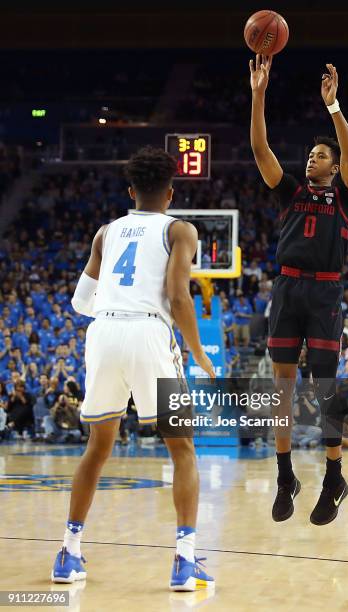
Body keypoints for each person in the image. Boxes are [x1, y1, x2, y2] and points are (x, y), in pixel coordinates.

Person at [51, 146, 215, 591]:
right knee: (182, 449)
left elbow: (81, 302)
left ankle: (69, 553)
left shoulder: (106, 232)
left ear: (130, 191)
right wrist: (198, 352)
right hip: (148, 334)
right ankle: (184, 561)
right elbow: (179, 297)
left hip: (103, 335)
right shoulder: (181, 230)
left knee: (97, 447)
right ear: (170, 193)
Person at [250, 55, 348, 525]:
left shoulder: (346, 193)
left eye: (320, 156)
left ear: (333, 168)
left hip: (325, 294)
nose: (311, 159)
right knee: (282, 388)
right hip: (288, 289)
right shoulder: (291, 191)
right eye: (311, 155)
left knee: (325, 388)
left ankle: (334, 475)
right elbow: (260, 150)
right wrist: (258, 94)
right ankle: (284, 476)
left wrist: (333, 108)